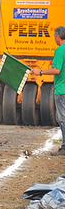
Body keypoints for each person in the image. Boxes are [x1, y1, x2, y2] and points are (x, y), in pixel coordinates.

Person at [32, 26, 65, 156]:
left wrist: (40, 72)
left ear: (57, 37)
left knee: (62, 119)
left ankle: (64, 147)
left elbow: (56, 70)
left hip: (61, 90)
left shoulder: (60, 50)